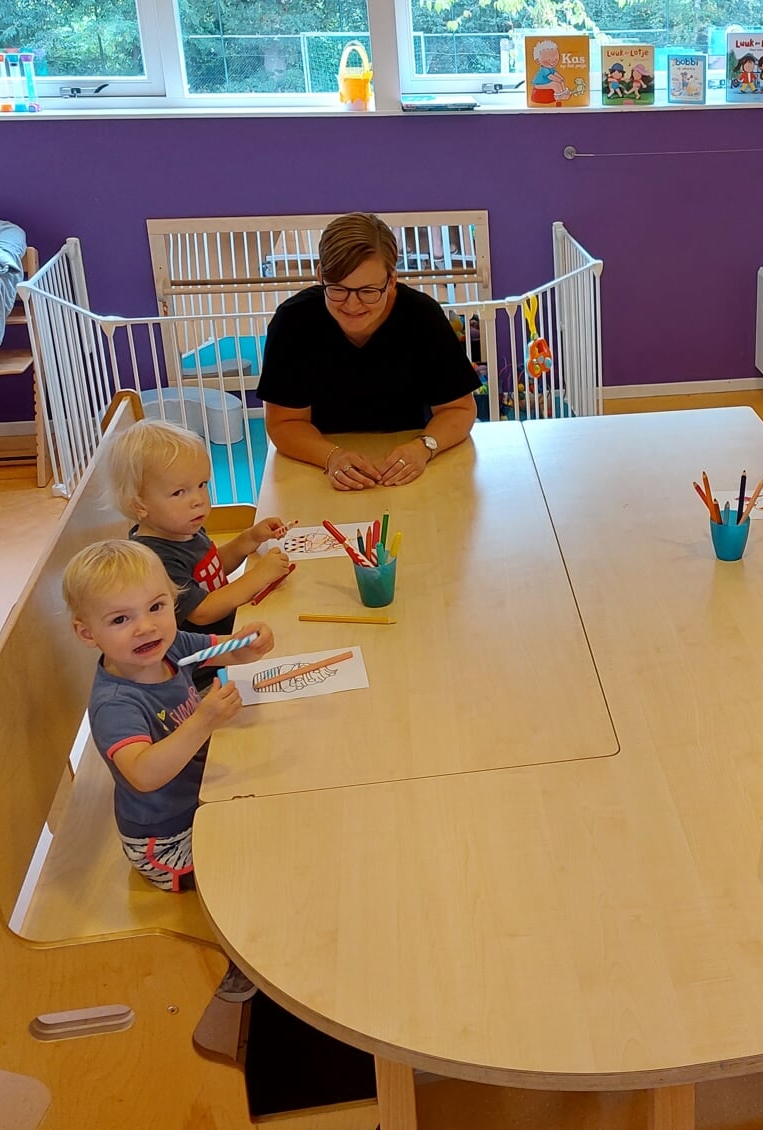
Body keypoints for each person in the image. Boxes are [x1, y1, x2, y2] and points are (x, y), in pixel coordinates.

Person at [62, 539, 276, 999]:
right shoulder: (116, 704)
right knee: (259, 859)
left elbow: (223, 650)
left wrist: (249, 644)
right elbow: (143, 773)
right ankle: (229, 958)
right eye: (121, 620)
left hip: (199, 801)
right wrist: (202, 720)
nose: (145, 628)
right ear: (87, 634)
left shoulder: (168, 645)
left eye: (156, 606)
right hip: (166, 842)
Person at [257, 213, 480, 491]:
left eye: (368, 291)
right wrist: (331, 456)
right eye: (338, 289)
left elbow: (459, 409)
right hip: (317, 467)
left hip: (409, 465)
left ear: (392, 279)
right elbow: (284, 423)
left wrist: (424, 447)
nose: (352, 305)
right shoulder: (294, 321)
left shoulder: (422, 317)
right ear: (320, 276)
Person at [112, 420, 290, 642]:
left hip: (231, 630)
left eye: (202, 485)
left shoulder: (180, 528)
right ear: (139, 505)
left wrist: (248, 539)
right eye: (178, 492)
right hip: (206, 660)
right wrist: (257, 577)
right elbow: (201, 612)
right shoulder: (154, 560)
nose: (198, 500)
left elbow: (210, 570)